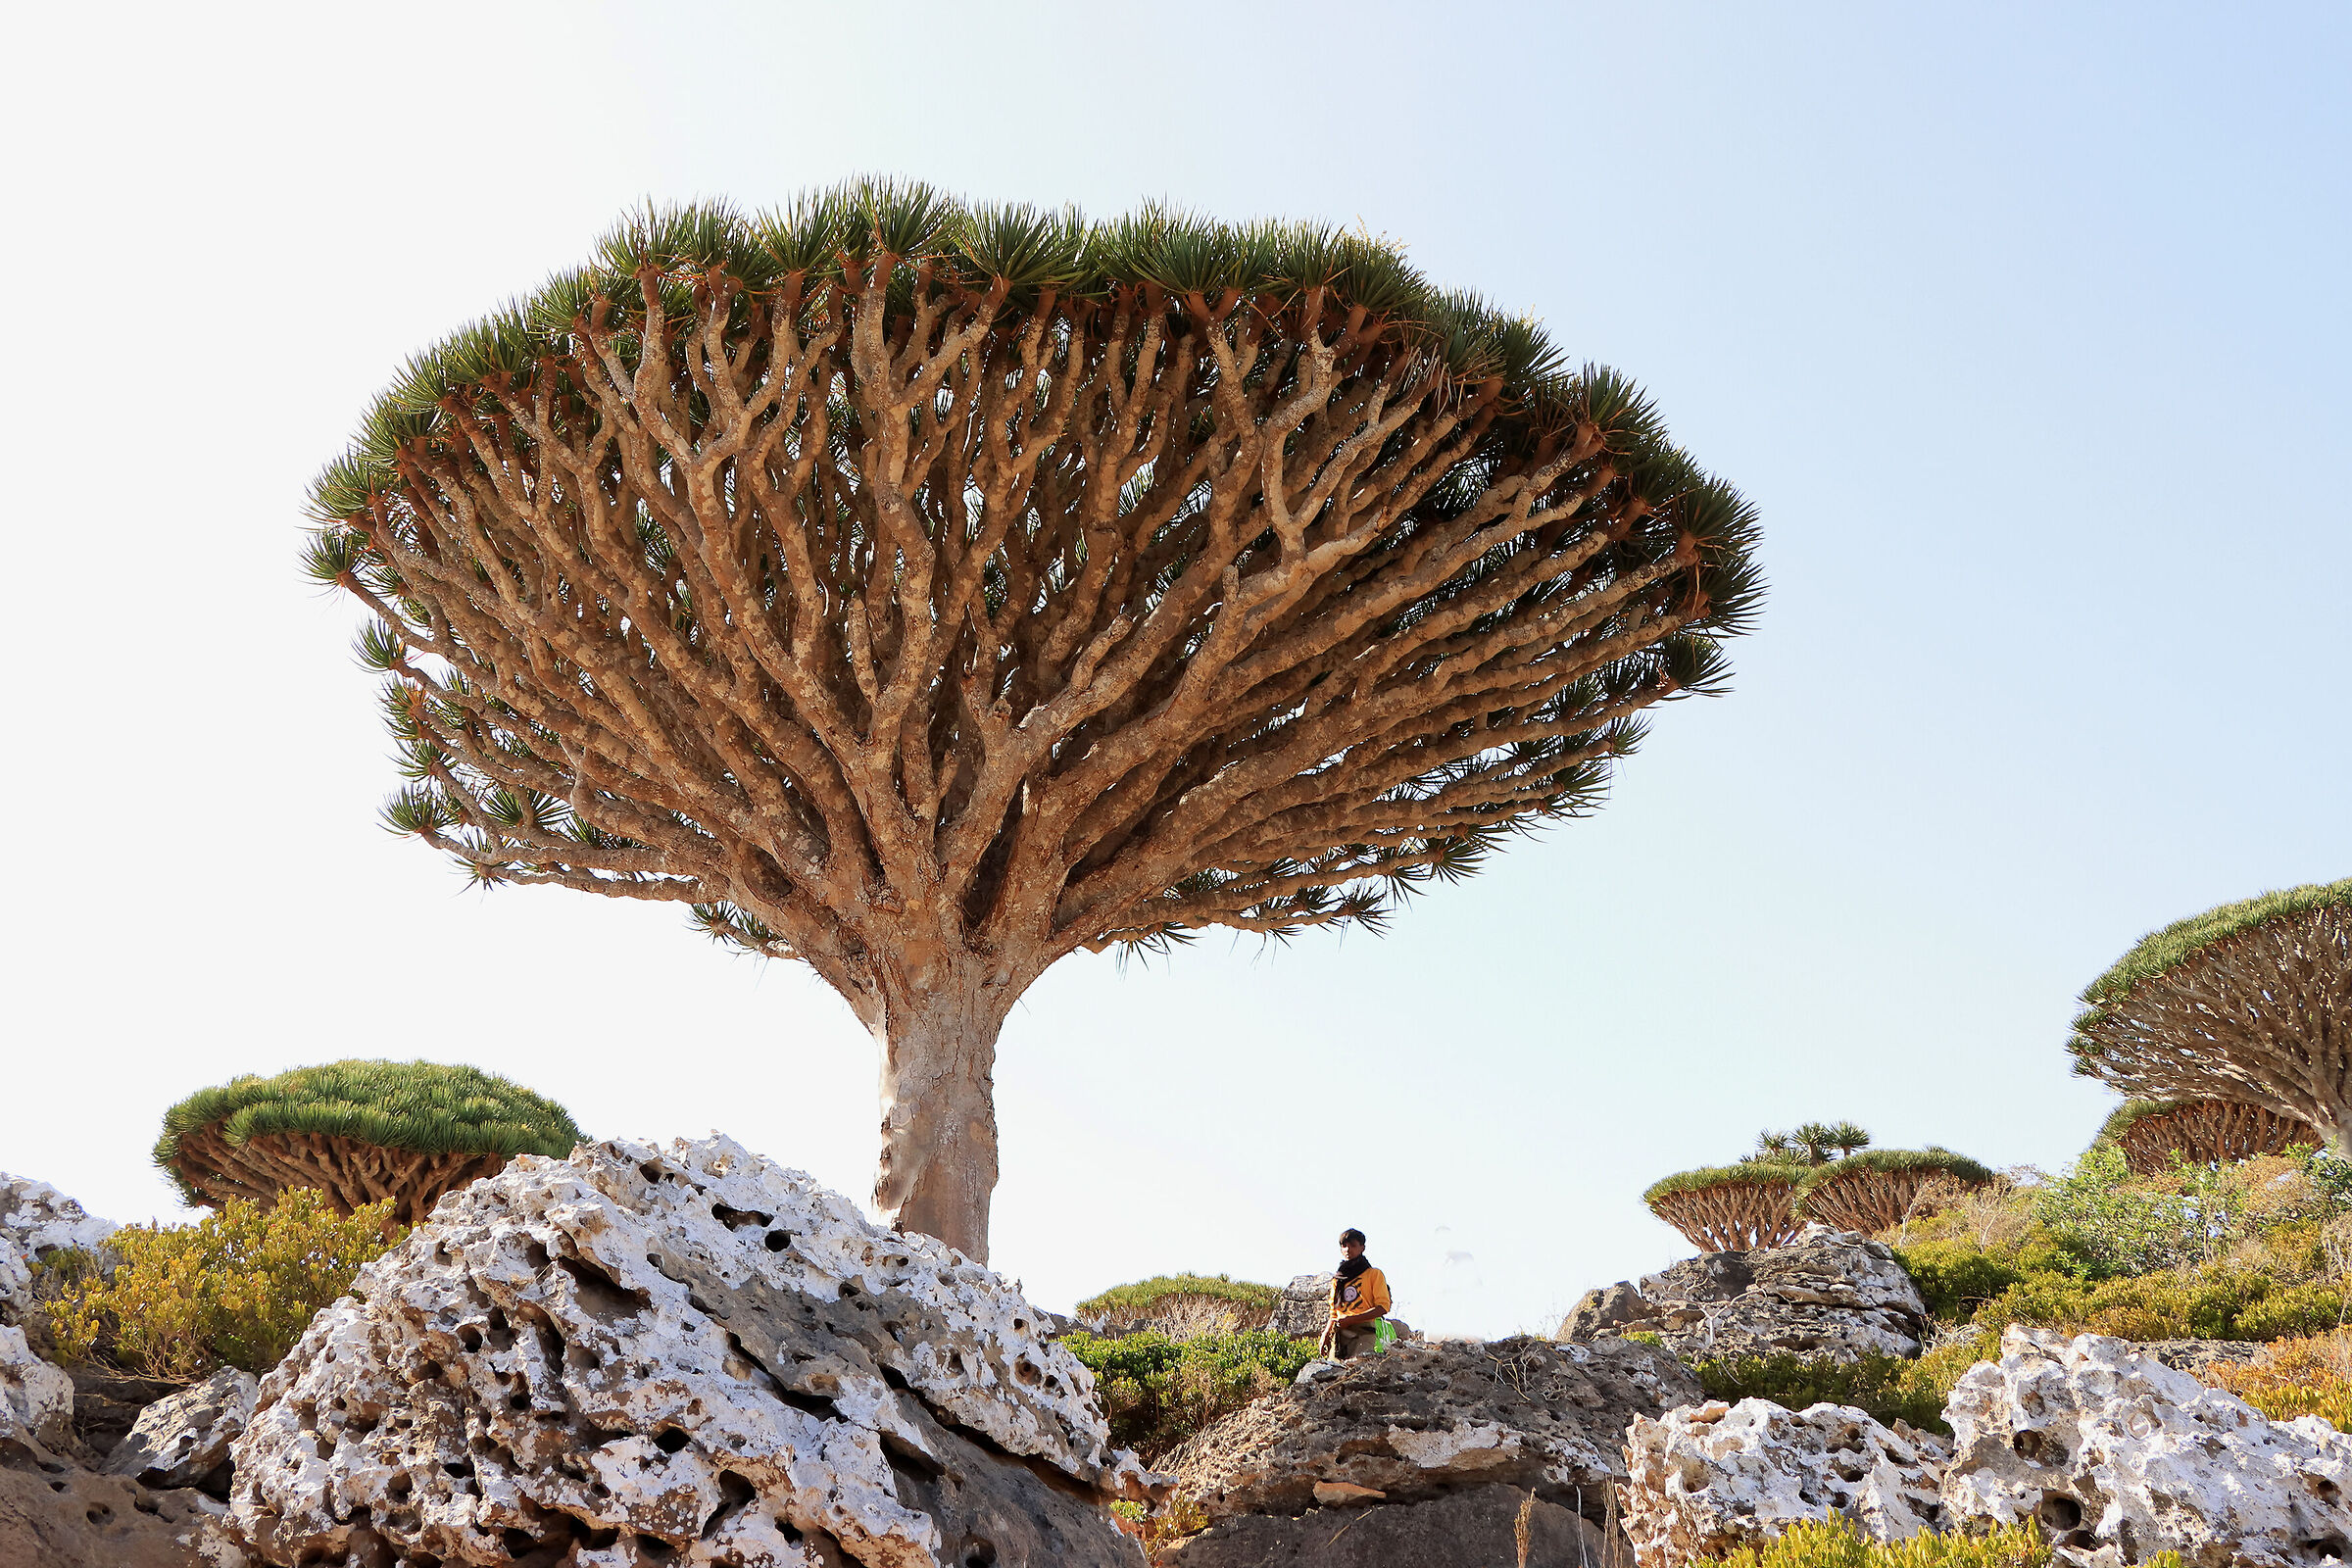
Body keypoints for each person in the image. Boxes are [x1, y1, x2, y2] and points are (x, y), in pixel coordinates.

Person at [1317, 1228, 1391, 1360]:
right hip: (1339, 1335)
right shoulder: (1338, 1280)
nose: (1348, 1250)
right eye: (1344, 1246)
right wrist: (1326, 1334)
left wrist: (1351, 1319)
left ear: (1362, 1248)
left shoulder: (1373, 1274)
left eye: (1353, 1245)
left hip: (1364, 1332)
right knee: (1334, 1374)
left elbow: (1383, 1308)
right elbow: (1334, 1313)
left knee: (1357, 1371)